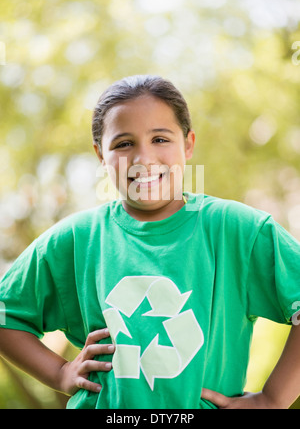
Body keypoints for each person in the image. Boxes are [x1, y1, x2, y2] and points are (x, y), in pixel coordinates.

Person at [0, 74, 300, 410]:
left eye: (160, 139)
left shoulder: (239, 231)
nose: (143, 158)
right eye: (124, 144)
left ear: (188, 143)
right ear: (101, 154)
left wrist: (273, 399)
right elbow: (5, 314)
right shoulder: (75, 240)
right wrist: (60, 374)